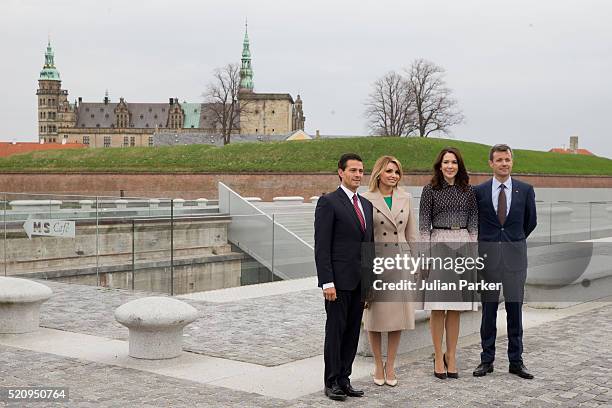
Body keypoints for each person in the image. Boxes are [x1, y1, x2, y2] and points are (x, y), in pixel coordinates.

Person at [473, 144, 537, 379]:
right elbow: (475, 223)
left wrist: (512, 242)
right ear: (491, 163)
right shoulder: (478, 192)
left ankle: (516, 361)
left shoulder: (525, 190)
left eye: (507, 160)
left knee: (514, 312)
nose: (504, 164)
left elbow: (530, 222)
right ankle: (486, 360)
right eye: (499, 160)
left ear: (512, 162)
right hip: (488, 260)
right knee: (488, 312)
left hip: (515, 260)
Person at [315, 153, 374, 401]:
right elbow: (322, 246)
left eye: (361, 171)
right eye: (353, 170)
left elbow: (369, 246)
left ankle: (345, 379)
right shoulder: (329, 202)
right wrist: (327, 282)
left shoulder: (367, 205)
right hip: (338, 283)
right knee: (336, 332)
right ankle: (331, 382)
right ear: (340, 172)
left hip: (360, 282)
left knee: (351, 333)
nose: (358, 175)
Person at [419, 147, 479, 379]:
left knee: (456, 307)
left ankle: (451, 355)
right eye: (446, 162)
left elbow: (474, 222)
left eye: (454, 162)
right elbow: (424, 225)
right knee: (438, 306)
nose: (450, 166)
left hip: (463, 243)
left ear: (459, 165)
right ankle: (437, 355)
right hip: (439, 243)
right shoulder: (430, 190)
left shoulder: (468, 191)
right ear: (440, 165)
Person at [361, 156, 420, 387]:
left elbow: (412, 234)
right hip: (377, 265)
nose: (394, 175)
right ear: (379, 174)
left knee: (398, 318)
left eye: (397, 171)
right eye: (389, 171)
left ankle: (391, 364)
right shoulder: (365, 199)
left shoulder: (406, 197)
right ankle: (378, 364)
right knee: (374, 317)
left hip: (401, 262)